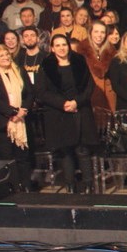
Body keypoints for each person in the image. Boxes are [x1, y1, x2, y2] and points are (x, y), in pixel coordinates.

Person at [38, 34, 100, 193]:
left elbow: (89, 86)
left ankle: (88, 185)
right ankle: (70, 185)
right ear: (52, 48)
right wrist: (63, 104)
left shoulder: (79, 61)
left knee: (82, 150)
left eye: (64, 44)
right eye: (57, 45)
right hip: (59, 114)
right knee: (66, 151)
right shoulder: (46, 65)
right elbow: (43, 92)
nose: (61, 48)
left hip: (80, 110)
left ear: (68, 46)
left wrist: (76, 102)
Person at [0, 47, 33, 192]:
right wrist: (13, 112)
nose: (6, 57)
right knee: (8, 158)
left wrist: (22, 110)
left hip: (21, 121)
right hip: (3, 124)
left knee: (23, 158)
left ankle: (26, 188)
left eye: (7, 54)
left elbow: (30, 93)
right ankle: (13, 189)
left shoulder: (19, 70)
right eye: (1, 55)